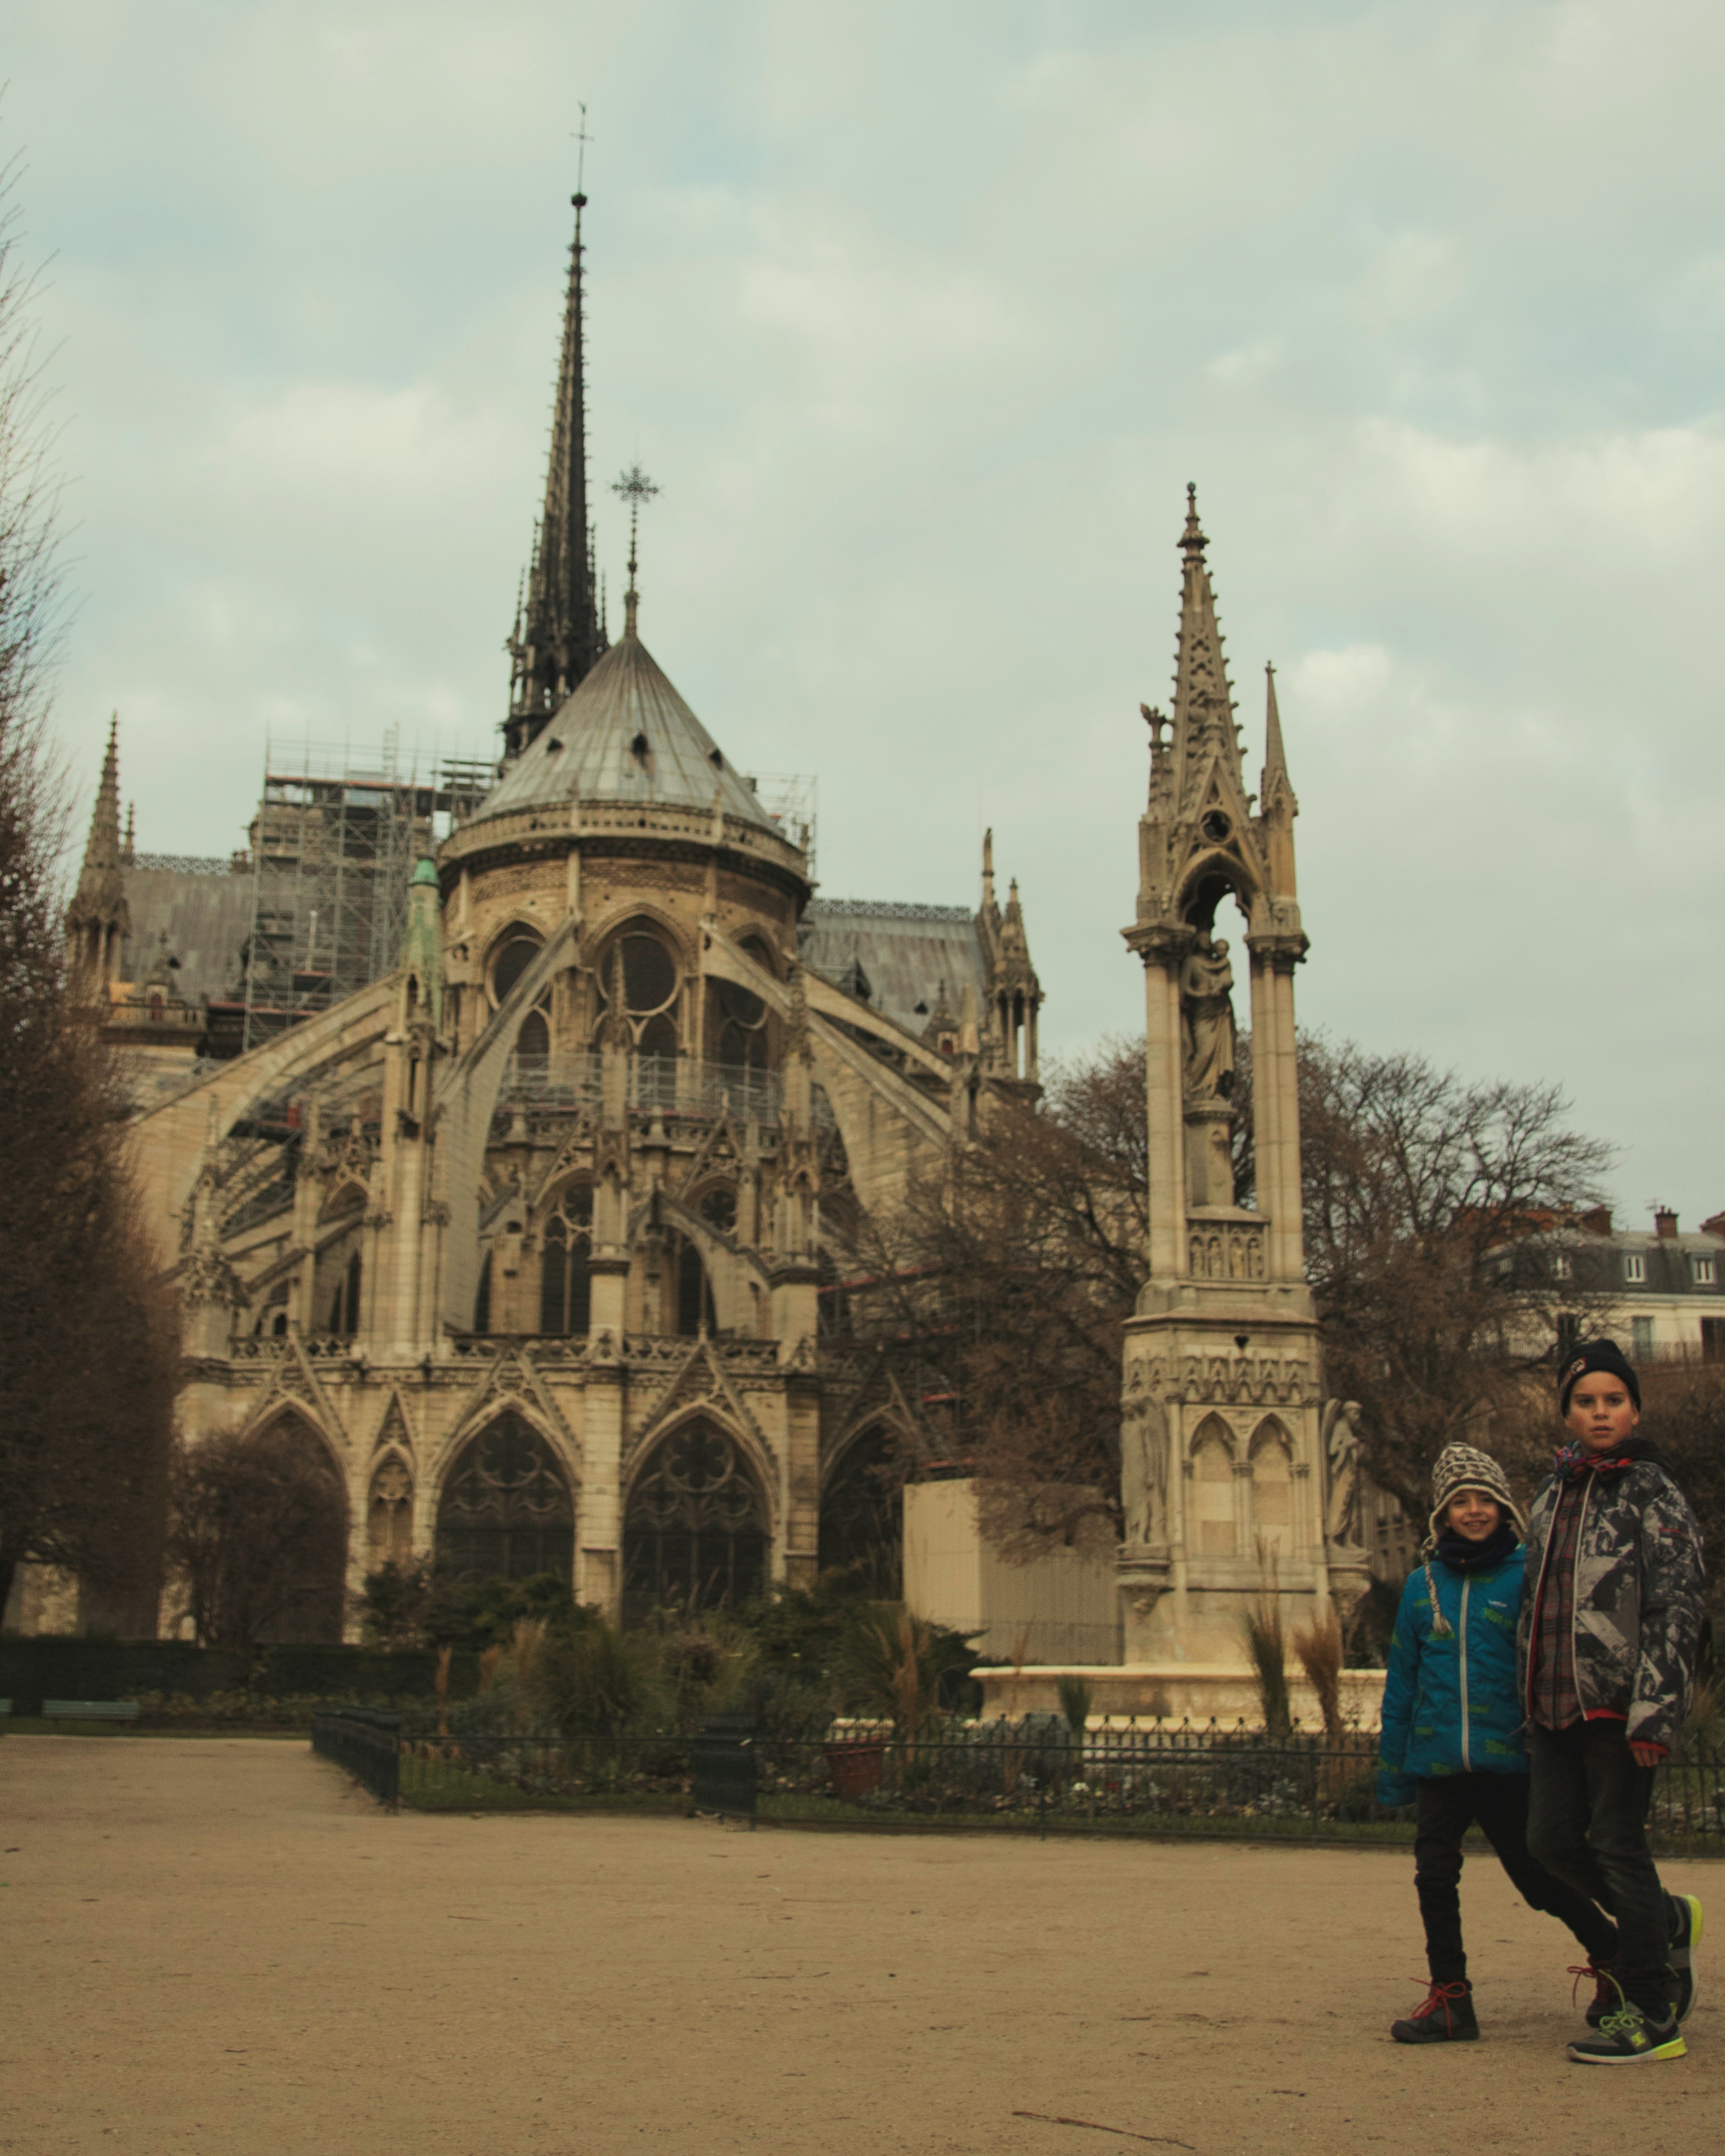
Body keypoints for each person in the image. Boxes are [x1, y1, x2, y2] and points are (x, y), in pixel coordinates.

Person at [1379, 1441, 1620, 2044]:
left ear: (1504, 1508)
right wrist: (1394, 1768)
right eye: (1461, 1501)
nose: (1475, 1510)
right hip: (1439, 1758)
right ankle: (1451, 1998)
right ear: (1443, 1514)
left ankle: (1613, 1955)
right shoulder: (1421, 1586)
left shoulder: (1526, 1577)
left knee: (1537, 1880)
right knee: (1434, 1875)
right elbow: (1402, 1679)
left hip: (1508, 1757)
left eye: (1485, 1499)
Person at [1520, 1338, 1706, 2064]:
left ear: (1635, 1408)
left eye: (1614, 1400)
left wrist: (1655, 1712)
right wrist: (1526, 1702)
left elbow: (1678, 1606)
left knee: (1617, 1846)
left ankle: (1655, 2013)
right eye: (1587, 1401)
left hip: (1622, 1704)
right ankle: (1662, 1923)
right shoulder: (1549, 1492)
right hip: (1553, 1703)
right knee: (1550, 1843)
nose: (1601, 1413)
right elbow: (1536, 1604)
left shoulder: (1653, 1491)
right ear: (1567, 1412)